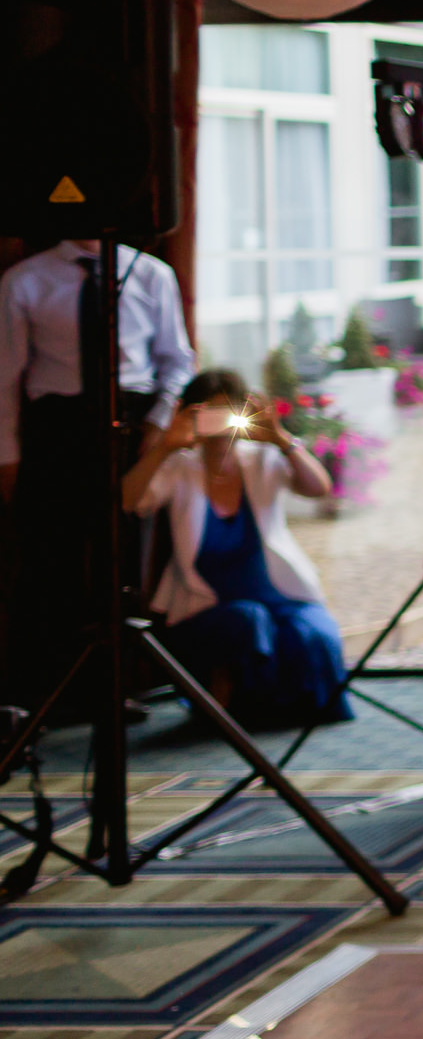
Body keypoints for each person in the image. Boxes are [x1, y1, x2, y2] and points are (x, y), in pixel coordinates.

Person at [0, 235, 194, 714]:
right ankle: (46, 694)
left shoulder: (150, 273)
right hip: (59, 427)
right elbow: (5, 378)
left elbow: (177, 360)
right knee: (51, 558)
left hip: (134, 427)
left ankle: (112, 689)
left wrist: (158, 422)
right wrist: (7, 455)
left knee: (122, 561)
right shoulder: (26, 279)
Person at [121, 370, 351, 729]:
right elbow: (129, 501)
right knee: (248, 620)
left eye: (228, 412)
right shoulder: (179, 465)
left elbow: (319, 488)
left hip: (279, 595)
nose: (219, 425)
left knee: (314, 634)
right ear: (188, 412)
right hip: (206, 607)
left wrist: (279, 437)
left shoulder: (261, 459)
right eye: (208, 413)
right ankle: (229, 710)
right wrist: (166, 444)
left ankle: (278, 712)